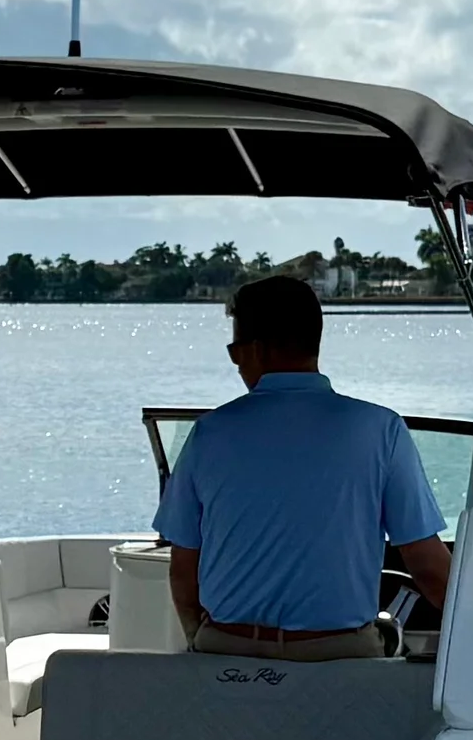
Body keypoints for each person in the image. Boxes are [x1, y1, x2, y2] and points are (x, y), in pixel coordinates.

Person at [155, 271, 454, 655]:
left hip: (228, 651)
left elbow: (183, 570)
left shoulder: (208, 434)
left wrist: (198, 642)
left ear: (256, 350)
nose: (236, 364)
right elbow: (428, 569)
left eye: (234, 352)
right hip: (340, 656)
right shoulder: (381, 430)